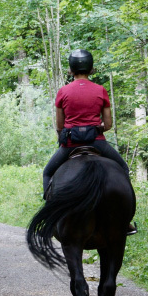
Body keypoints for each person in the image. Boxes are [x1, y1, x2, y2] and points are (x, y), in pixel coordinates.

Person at [43, 48, 137, 235]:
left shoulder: (63, 91)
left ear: (71, 69)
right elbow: (108, 124)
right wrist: (96, 128)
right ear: (91, 68)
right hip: (96, 142)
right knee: (123, 169)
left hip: (70, 144)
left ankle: (51, 217)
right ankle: (126, 220)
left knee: (48, 172)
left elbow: (60, 126)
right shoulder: (100, 90)